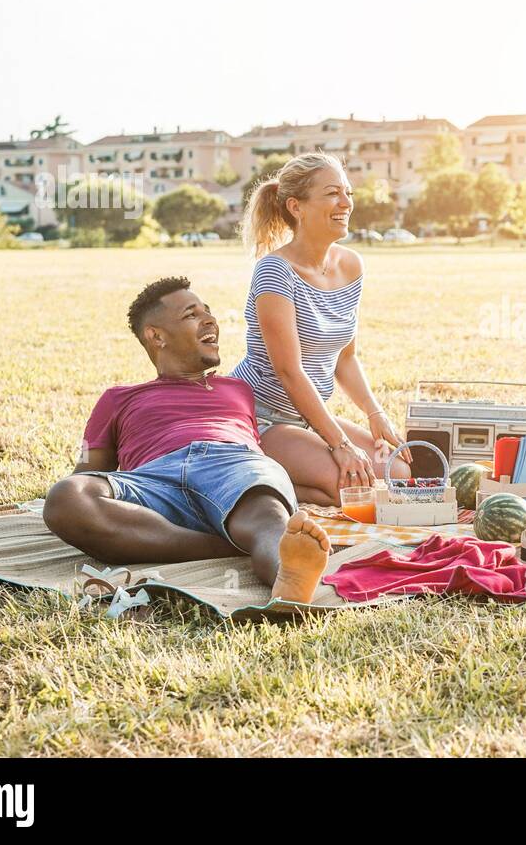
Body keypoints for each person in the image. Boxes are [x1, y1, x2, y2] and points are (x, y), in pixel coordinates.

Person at [42, 278, 332, 604]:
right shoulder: (118, 398)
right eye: (191, 315)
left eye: (208, 311)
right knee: (66, 498)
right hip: (154, 482)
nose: (210, 320)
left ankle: (287, 575)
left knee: (266, 514)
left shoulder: (238, 389)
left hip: (230, 464)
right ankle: (227, 545)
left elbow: (271, 435)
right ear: (156, 336)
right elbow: (86, 474)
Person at [232, 152, 410, 507]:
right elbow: (289, 372)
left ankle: (282, 481)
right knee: (353, 488)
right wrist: (340, 445)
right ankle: (256, 482)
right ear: (296, 207)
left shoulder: (350, 265)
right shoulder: (274, 272)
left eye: (348, 193)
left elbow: (345, 358)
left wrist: (375, 414)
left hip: (312, 418)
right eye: (332, 194)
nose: (346, 203)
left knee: (397, 475)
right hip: (263, 417)